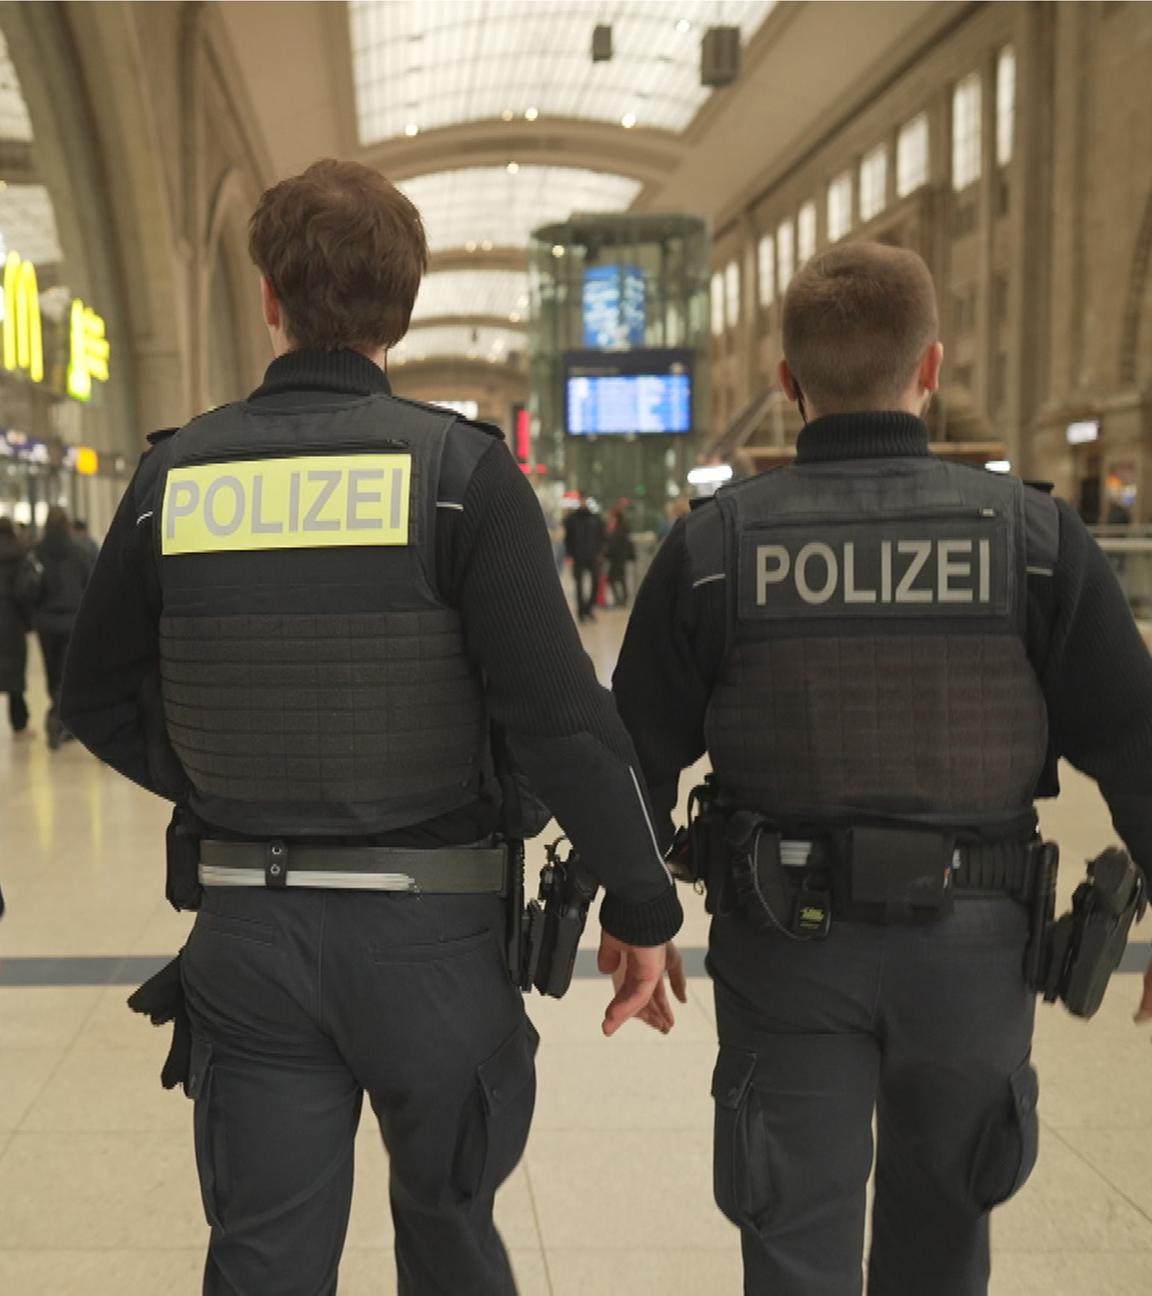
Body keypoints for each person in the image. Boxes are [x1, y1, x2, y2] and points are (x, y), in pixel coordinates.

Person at [60, 158, 684, 1296]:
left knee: (263, 1260)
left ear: (268, 298)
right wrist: (641, 905)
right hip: (433, 940)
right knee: (450, 1240)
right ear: (401, 309)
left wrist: (222, 773)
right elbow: (562, 725)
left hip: (250, 934)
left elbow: (93, 697)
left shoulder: (173, 477)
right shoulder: (460, 475)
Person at [613, 241, 1152, 1296]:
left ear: (787, 383)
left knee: (792, 1243)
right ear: (932, 367)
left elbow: (634, 752)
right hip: (975, 952)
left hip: (783, 943)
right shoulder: (1033, 539)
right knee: (941, 1243)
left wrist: (639, 909)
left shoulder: (715, 549)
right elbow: (1135, 735)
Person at [30, 506, 95, 748]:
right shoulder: (80, 552)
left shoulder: (37, 552)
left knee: (52, 673)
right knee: (67, 674)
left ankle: (59, 719)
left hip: (46, 623)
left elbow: (30, 589)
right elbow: (90, 583)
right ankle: (57, 719)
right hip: (72, 621)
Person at [0, 516, 32, 737]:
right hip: (12, 622)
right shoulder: (19, 555)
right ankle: (19, 721)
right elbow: (23, 591)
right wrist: (28, 621)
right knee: (15, 670)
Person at [563, 492, 605, 622]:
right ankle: (581, 611)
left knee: (595, 582)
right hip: (578, 556)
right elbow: (568, 539)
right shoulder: (572, 520)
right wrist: (569, 554)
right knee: (579, 585)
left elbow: (601, 536)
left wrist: (600, 551)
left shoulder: (595, 519)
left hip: (593, 556)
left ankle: (589, 607)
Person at [604, 502, 635, 608]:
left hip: (617, 558)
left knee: (614, 579)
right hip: (621, 557)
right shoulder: (623, 527)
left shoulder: (619, 528)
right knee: (621, 578)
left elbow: (614, 544)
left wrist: (607, 553)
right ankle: (622, 599)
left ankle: (621, 599)